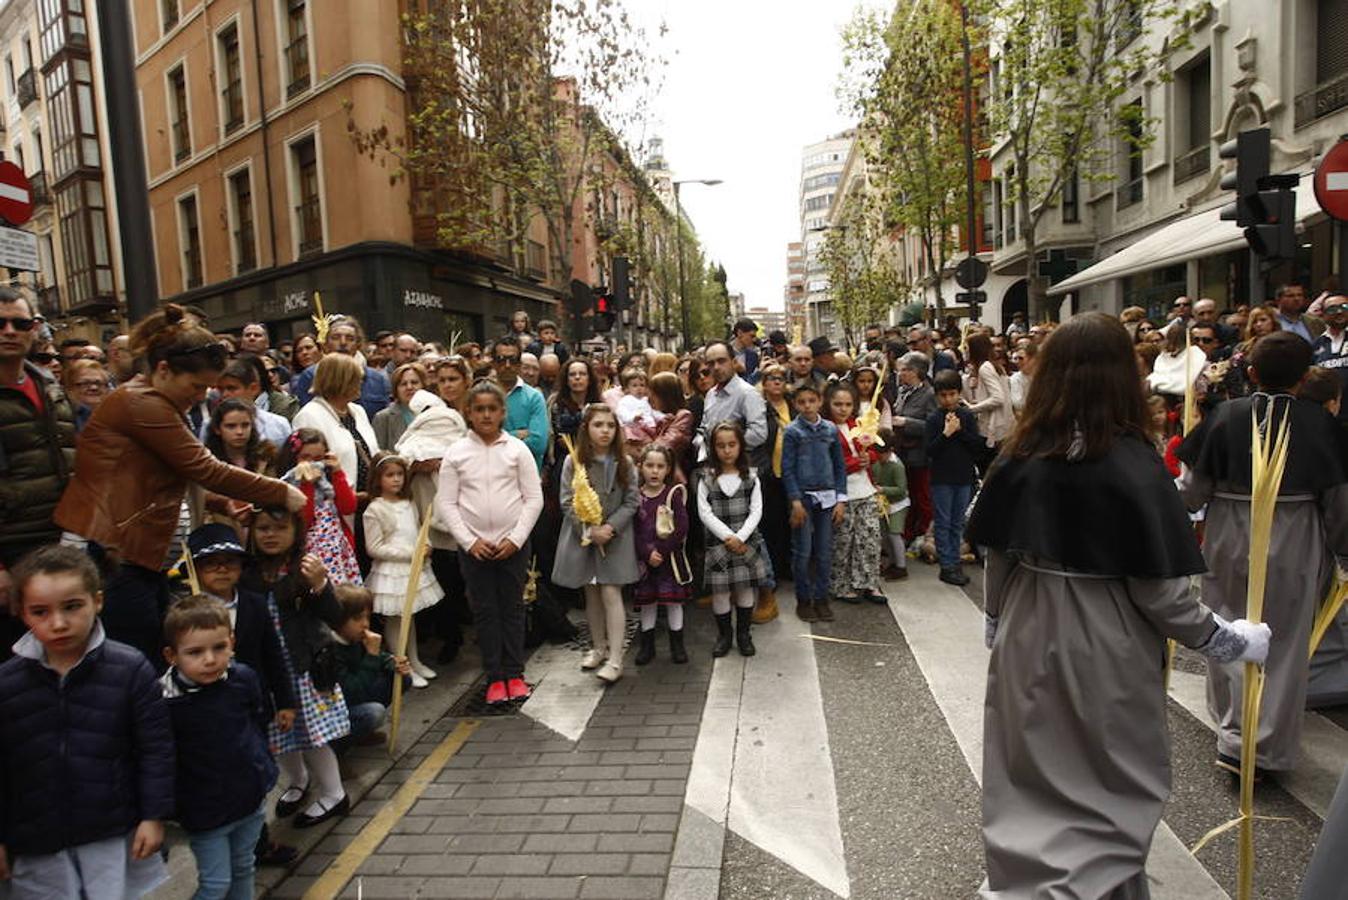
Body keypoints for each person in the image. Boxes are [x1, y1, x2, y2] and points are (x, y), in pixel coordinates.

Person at [967, 312, 1271, 899]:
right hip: (1105, 638)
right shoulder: (1133, 462)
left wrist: (997, 619)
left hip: (1027, 628)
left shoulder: (1019, 454)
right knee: (1105, 779)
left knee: (1030, 769)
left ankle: (1032, 883)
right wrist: (1226, 640)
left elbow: (997, 557)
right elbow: (1160, 595)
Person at [54, 305, 302, 666]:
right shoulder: (141, 403)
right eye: (197, 386)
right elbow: (205, 468)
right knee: (135, 663)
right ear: (164, 369)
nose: (202, 396)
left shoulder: (158, 402)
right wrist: (282, 491)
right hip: (112, 555)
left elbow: (169, 476)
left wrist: (221, 504)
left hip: (136, 559)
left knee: (149, 658)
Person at [1178, 332, 1348, 776]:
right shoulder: (1321, 424)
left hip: (1229, 531)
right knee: (1287, 640)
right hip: (1295, 533)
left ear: (1251, 372)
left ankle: (1233, 734)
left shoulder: (1224, 416)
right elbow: (1339, 503)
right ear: (1304, 376)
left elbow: (1192, 491)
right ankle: (1265, 747)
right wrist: (1342, 551)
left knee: (1228, 624)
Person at [0, 545, 174, 898]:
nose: (58, 623)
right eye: (40, 611)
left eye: (72, 606)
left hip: (110, 831)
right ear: (22, 613)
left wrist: (153, 816)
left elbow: (155, 749)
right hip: (37, 840)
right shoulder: (7, 682)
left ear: (97, 601)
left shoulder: (129, 669)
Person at [160, 596, 277, 900]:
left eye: (219, 647)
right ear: (171, 655)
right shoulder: (164, 702)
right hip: (204, 811)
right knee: (215, 884)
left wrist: (261, 766)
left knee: (244, 867)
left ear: (232, 643)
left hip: (248, 799)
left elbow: (256, 721)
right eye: (195, 652)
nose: (210, 660)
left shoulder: (243, 679)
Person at [242, 507, 351, 828]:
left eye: (280, 528)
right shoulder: (247, 572)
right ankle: (298, 779)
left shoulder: (306, 568)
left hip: (302, 669)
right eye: (263, 528)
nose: (270, 535)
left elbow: (336, 617)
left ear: (296, 532)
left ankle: (335, 794)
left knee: (312, 737)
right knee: (279, 732)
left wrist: (320, 585)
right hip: (267, 671)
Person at [438, 382, 543, 704]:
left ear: (502, 413)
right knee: (485, 611)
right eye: (479, 409)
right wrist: (469, 542)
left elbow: (533, 498)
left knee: (512, 608)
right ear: (468, 412)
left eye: (492, 409)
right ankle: (495, 676)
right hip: (475, 548)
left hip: (512, 545)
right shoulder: (456, 453)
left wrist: (516, 538)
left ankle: (515, 672)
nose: (486, 415)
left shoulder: (517, 450)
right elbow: (447, 503)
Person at [0, 289, 76, 626]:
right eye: (0, 323)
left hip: (62, 538)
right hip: (11, 547)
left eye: (20, 323)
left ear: (34, 329)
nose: (9, 331)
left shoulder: (49, 385)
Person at [552, 403, 640, 684]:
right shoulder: (573, 461)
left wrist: (610, 528)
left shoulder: (625, 463)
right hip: (585, 536)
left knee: (611, 592)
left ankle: (615, 658)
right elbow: (567, 501)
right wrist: (590, 529)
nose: (605, 431)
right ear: (586, 429)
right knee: (591, 593)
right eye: (598, 425)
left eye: (611, 425)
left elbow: (632, 501)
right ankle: (598, 646)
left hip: (615, 538)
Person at [395, 389, 470, 664]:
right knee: (437, 579)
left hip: (455, 518)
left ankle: (454, 632)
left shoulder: (457, 431)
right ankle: (447, 634)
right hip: (424, 518)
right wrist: (415, 467)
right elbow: (398, 467)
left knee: (452, 580)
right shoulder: (411, 440)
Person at [363, 453, 443, 687]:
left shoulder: (408, 503)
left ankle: (414, 660)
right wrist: (410, 553)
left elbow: (419, 528)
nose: (396, 479)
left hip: (412, 568)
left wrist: (426, 543)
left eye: (399, 474)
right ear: (378, 479)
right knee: (396, 619)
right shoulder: (375, 509)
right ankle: (402, 665)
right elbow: (374, 547)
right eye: (390, 475)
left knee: (410, 616)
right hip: (392, 572)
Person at [699, 421, 770, 656]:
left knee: (745, 590)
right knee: (720, 593)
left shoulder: (751, 477)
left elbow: (756, 511)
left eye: (732, 444)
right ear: (713, 448)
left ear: (740, 446)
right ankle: (724, 635)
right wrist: (728, 537)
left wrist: (740, 537)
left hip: (745, 544)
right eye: (721, 446)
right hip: (719, 545)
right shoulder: (706, 478)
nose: (727, 450)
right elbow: (705, 512)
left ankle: (743, 634)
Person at [781, 382, 847, 624]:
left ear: (820, 401)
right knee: (803, 551)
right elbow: (787, 468)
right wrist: (795, 501)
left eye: (812, 401)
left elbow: (839, 466)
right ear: (795, 404)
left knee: (824, 551)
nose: (807, 406)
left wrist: (841, 498)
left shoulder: (830, 429)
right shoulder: (792, 431)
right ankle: (803, 599)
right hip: (803, 498)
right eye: (801, 402)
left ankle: (821, 598)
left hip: (828, 498)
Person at [275, 429, 362, 586]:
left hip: (337, 554)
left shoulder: (328, 479)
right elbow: (304, 521)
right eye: (305, 457)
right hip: (307, 554)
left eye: (318, 458)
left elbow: (348, 507)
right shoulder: (287, 485)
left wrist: (337, 473)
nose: (312, 463)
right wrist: (306, 484)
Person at [825, 382, 885, 604]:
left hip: (865, 489)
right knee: (843, 541)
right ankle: (840, 585)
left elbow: (873, 451)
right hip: (843, 494)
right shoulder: (825, 428)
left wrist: (869, 458)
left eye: (848, 404)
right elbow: (827, 463)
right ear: (828, 404)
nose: (843, 409)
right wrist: (853, 463)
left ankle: (869, 583)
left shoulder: (858, 425)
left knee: (870, 538)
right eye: (838, 404)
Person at [632, 445, 691, 666]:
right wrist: (647, 552)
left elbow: (681, 527)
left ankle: (678, 645)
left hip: (669, 561)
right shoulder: (636, 497)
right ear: (640, 467)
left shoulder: (673, 494)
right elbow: (633, 530)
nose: (654, 471)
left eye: (660, 466)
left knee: (674, 603)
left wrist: (662, 550)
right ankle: (647, 646)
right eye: (649, 465)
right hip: (645, 562)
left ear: (668, 469)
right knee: (648, 603)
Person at [328, 584, 411, 742]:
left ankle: (362, 732)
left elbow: (381, 658)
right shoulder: (331, 650)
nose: (365, 624)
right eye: (357, 618)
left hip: (359, 693)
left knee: (402, 678)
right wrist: (372, 656)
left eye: (367, 617)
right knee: (374, 713)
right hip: (339, 709)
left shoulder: (356, 639)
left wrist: (393, 663)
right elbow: (351, 692)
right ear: (338, 619)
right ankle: (344, 743)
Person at [292, 353, 380, 498]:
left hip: (370, 499)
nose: (361, 383)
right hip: (336, 503)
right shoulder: (309, 416)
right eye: (356, 379)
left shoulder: (358, 411)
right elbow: (310, 469)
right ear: (340, 381)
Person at [926, 370, 983, 586]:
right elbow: (930, 450)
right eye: (943, 395)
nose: (948, 399)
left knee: (957, 523)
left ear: (959, 393)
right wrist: (946, 433)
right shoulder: (933, 419)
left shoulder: (967, 416)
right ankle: (947, 564)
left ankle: (955, 560)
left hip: (963, 477)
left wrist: (959, 431)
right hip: (942, 478)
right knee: (943, 522)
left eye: (952, 394)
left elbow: (976, 446)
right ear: (937, 396)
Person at [752, 363, 793, 622]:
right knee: (769, 523)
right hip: (769, 473)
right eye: (772, 378)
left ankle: (786, 566)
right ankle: (772, 572)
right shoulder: (759, 407)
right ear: (764, 383)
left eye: (781, 378)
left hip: (790, 472)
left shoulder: (793, 405)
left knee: (788, 523)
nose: (777, 382)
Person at [290, 317, 391, 418]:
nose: (343, 342)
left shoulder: (377, 378)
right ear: (326, 345)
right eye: (336, 338)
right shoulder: (311, 376)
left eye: (350, 338)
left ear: (358, 344)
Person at [893, 351, 937, 552]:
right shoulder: (903, 391)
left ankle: (924, 535)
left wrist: (906, 422)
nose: (900, 373)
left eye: (904, 370)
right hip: (903, 453)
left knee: (922, 497)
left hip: (920, 455)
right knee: (907, 496)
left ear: (916, 371)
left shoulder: (929, 394)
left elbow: (933, 425)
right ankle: (907, 532)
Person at [491, 335, 549, 471]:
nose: (507, 365)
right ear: (493, 363)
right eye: (501, 360)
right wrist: (517, 435)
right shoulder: (481, 395)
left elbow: (538, 444)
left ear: (519, 363)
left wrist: (493, 439)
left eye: (513, 360)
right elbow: (477, 442)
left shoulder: (534, 397)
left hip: (525, 477)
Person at [962, 332, 1013, 469]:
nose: (965, 351)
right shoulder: (993, 366)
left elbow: (998, 398)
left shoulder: (985, 368)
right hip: (1000, 426)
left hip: (991, 428)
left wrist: (972, 409)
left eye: (967, 348)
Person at [215, 356, 291, 447]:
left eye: (231, 388)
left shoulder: (278, 425)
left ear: (253, 388)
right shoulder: (211, 424)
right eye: (220, 389)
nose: (224, 394)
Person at [871, 432, 909, 580]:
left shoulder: (897, 466)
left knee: (894, 533)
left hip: (898, 504)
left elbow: (901, 489)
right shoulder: (877, 463)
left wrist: (883, 489)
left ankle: (901, 566)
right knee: (885, 535)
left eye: (882, 454)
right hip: (883, 504)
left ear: (890, 451)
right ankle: (892, 562)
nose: (880, 457)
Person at [372, 362, 428, 451]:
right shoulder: (383, 417)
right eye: (403, 384)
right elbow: (378, 454)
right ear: (396, 389)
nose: (409, 387)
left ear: (423, 385)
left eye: (414, 382)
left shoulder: (434, 413)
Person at [64, 357, 109, 433]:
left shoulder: (116, 416)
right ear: (70, 389)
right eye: (85, 383)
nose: (94, 387)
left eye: (98, 383)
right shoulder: (63, 419)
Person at [732, 318, 761, 384]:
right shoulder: (723, 352)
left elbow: (752, 383)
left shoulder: (753, 356)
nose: (754, 340)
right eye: (752, 336)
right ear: (740, 333)